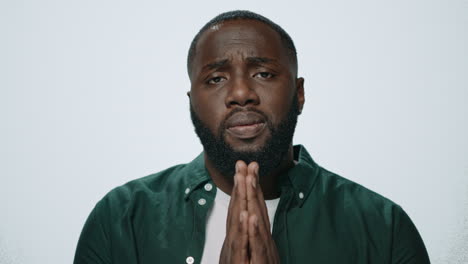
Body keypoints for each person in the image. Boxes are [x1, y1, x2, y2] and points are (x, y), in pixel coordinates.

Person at [74, 10, 430, 264]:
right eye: (216, 78)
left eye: (263, 73)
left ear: (299, 93)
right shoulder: (121, 219)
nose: (241, 93)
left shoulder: (383, 228)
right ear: (191, 102)